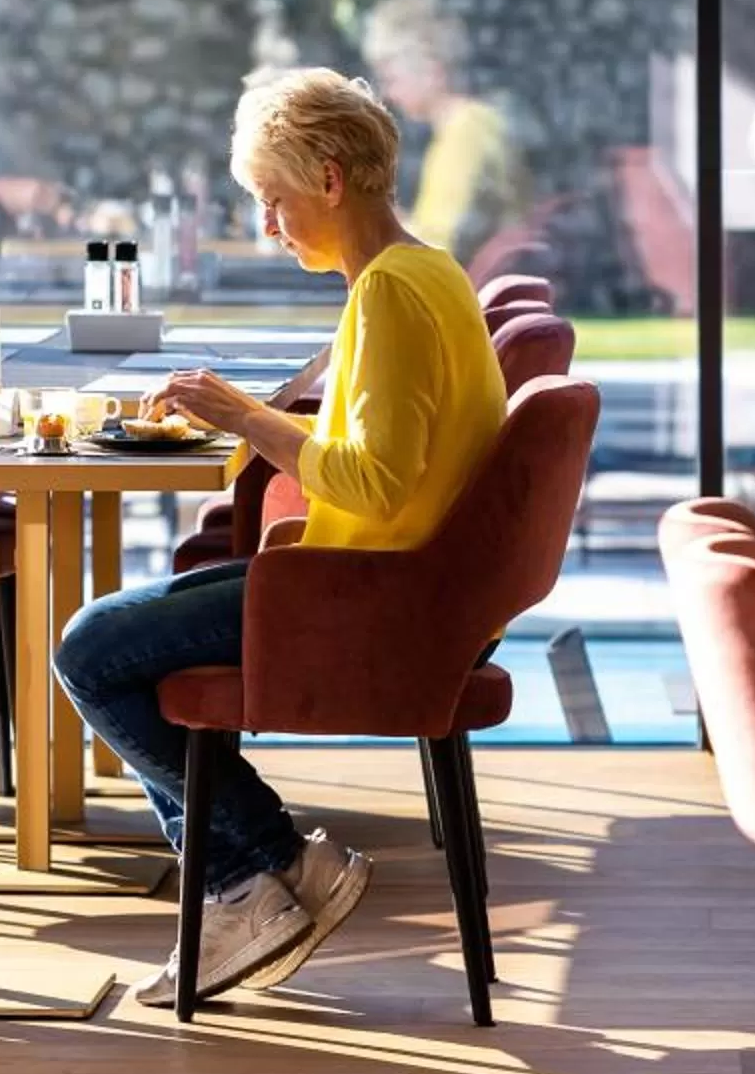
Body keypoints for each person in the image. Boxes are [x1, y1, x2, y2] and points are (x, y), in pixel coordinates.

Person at [53, 68, 510, 1005]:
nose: (268, 223)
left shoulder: (388, 294)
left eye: (274, 198)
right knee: (115, 635)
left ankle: (257, 873)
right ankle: (262, 877)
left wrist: (242, 416)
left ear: (331, 181)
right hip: (386, 584)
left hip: (359, 597)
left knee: (90, 649)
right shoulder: (431, 272)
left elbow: (375, 481)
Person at [361, 0, 528, 270]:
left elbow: (436, 246)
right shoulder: (467, 127)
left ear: (432, 70)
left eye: (391, 78)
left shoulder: (467, 132)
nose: (387, 94)